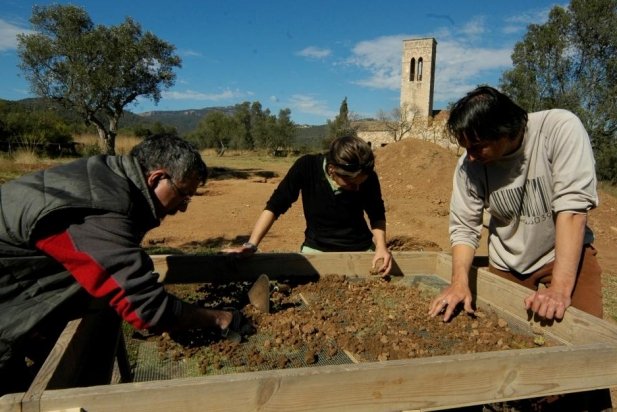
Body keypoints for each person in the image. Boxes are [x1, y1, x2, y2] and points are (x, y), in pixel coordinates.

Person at [0, 134, 238, 395]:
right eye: (183, 196)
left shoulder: (104, 177)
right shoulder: (102, 207)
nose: (183, 208)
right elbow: (147, 309)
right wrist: (219, 318)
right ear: (157, 178)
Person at [428, 86, 611, 411]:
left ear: (507, 130)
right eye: (464, 147)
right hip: (509, 261)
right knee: (501, 349)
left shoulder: (558, 129)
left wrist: (559, 289)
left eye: (477, 146)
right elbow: (464, 227)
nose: (469, 155)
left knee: (584, 353)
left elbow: (571, 209)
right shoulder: (469, 166)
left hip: (567, 257)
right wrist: (459, 283)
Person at [223, 135, 392, 275]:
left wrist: (381, 247)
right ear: (332, 169)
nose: (357, 189)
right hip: (316, 249)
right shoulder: (306, 167)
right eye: (351, 184)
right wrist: (251, 245)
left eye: (360, 183)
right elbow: (275, 205)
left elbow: (376, 214)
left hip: (361, 250)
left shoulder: (368, 177)